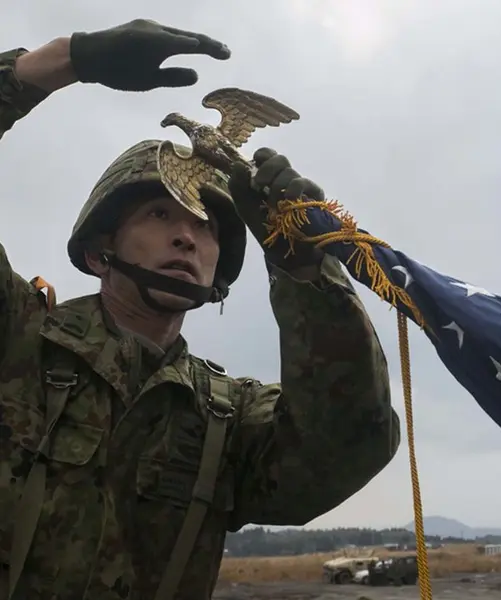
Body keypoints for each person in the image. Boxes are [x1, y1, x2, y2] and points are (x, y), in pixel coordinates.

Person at [0, 19, 400, 600]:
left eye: (206, 225)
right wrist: (62, 61)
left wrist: (307, 272)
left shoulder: (228, 418)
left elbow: (345, 444)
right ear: (97, 249)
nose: (187, 238)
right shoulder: (17, 338)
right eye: (160, 216)